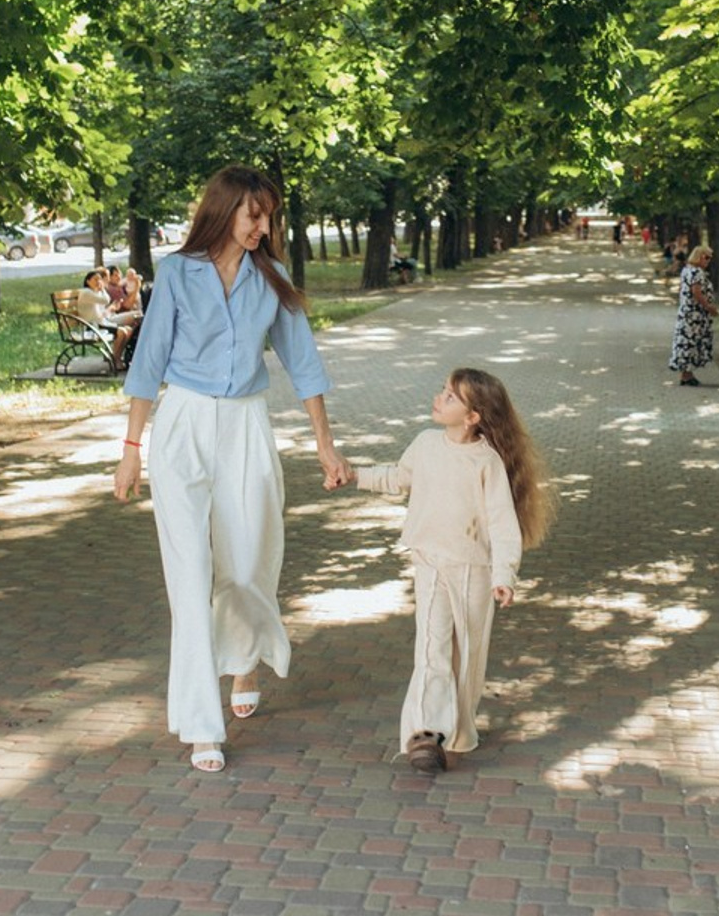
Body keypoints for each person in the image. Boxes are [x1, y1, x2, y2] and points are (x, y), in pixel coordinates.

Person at [112, 165, 351, 774]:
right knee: (189, 580)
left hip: (246, 425)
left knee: (247, 565)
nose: (263, 226)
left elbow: (304, 364)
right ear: (224, 212)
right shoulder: (175, 274)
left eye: (269, 216)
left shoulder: (271, 279)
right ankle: (201, 726)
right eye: (254, 215)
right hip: (183, 426)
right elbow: (149, 364)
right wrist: (131, 448)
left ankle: (244, 656)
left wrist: (325, 445)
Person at [348, 368, 556, 775]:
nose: (439, 398)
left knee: (468, 655)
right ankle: (425, 733)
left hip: (473, 571)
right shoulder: (425, 444)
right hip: (429, 562)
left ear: (473, 416)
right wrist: (354, 475)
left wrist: (504, 575)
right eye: (442, 390)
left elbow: (501, 523)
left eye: (450, 396)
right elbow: (396, 477)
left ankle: (459, 730)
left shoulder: (487, 462)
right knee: (431, 645)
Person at [668, 245, 718, 386]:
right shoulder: (696, 272)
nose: (708, 261)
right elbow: (696, 292)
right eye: (706, 257)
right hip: (694, 315)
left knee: (686, 342)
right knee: (690, 342)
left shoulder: (687, 270)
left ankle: (686, 374)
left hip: (687, 313)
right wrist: (708, 307)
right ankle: (686, 375)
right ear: (699, 256)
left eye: (710, 258)